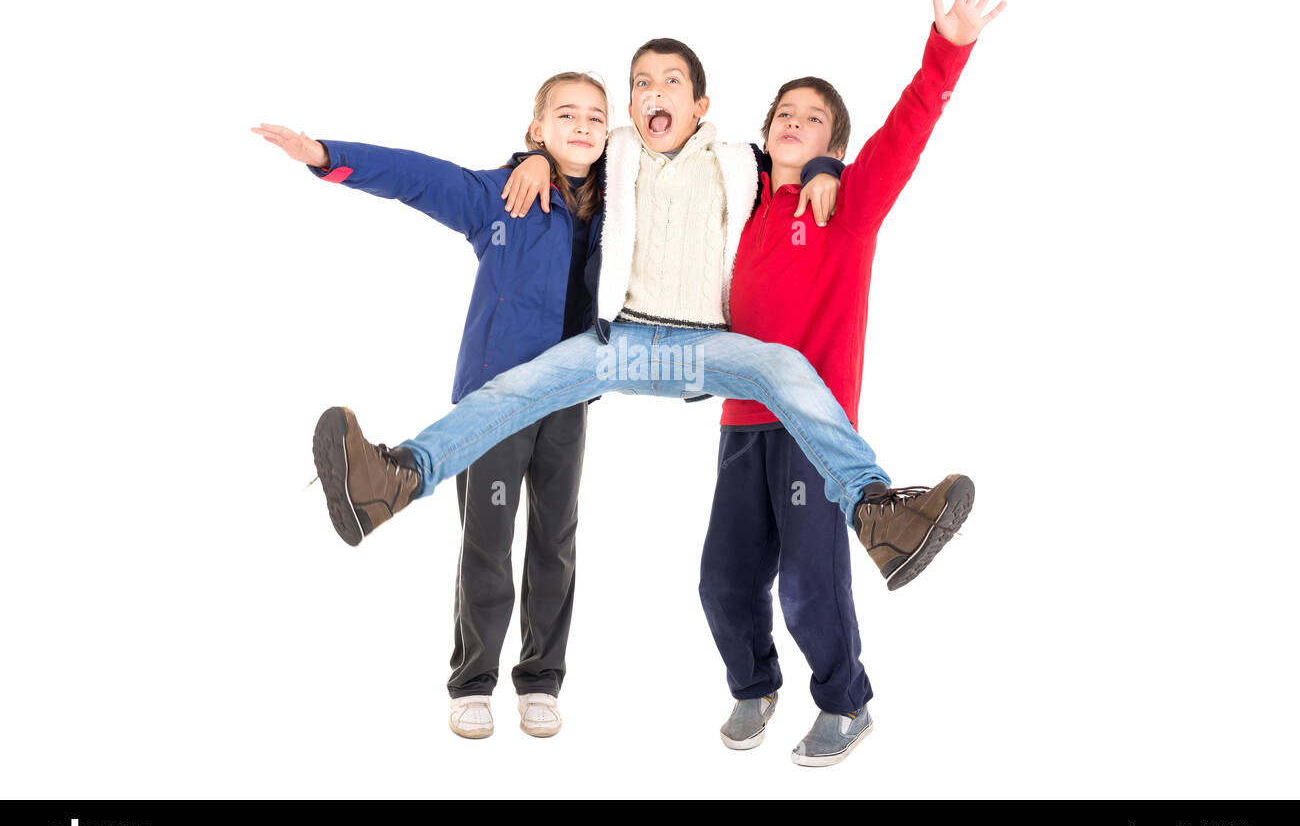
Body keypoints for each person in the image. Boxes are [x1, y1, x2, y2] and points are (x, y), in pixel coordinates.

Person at [308, 34, 973, 601]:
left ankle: (875, 511)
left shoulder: (741, 163)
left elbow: (811, 154)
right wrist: (532, 155)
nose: (656, 92)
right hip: (619, 343)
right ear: (630, 108)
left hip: (700, 351)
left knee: (784, 366)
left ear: (699, 105)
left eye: (672, 81)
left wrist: (828, 163)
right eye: (642, 84)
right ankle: (394, 480)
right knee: (515, 388)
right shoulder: (615, 150)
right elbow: (515, 157)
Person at [699, 0, 1005, 768]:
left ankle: (845, 702)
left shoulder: (847, 207)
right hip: (740, 425)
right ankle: (753, 683)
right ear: (767, 133)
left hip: (813, 428)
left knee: (808, 585)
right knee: (722, 582)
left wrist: (948, 52)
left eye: (814, 119)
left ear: (834, 143)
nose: (795, 122)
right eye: (784, 114)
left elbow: (904, 134)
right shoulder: (747, 207)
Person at [251, 71, 610, 741]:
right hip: (492, 404)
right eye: (565, 114)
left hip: (569, 401)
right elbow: (419, 177)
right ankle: (474, 679)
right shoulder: (503, 197)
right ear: (537, 128)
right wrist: (327, 156)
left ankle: (540, 678)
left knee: (556, 541)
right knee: (488, 540)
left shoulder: (622, 205)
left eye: (595, 115)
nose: (582, 125)